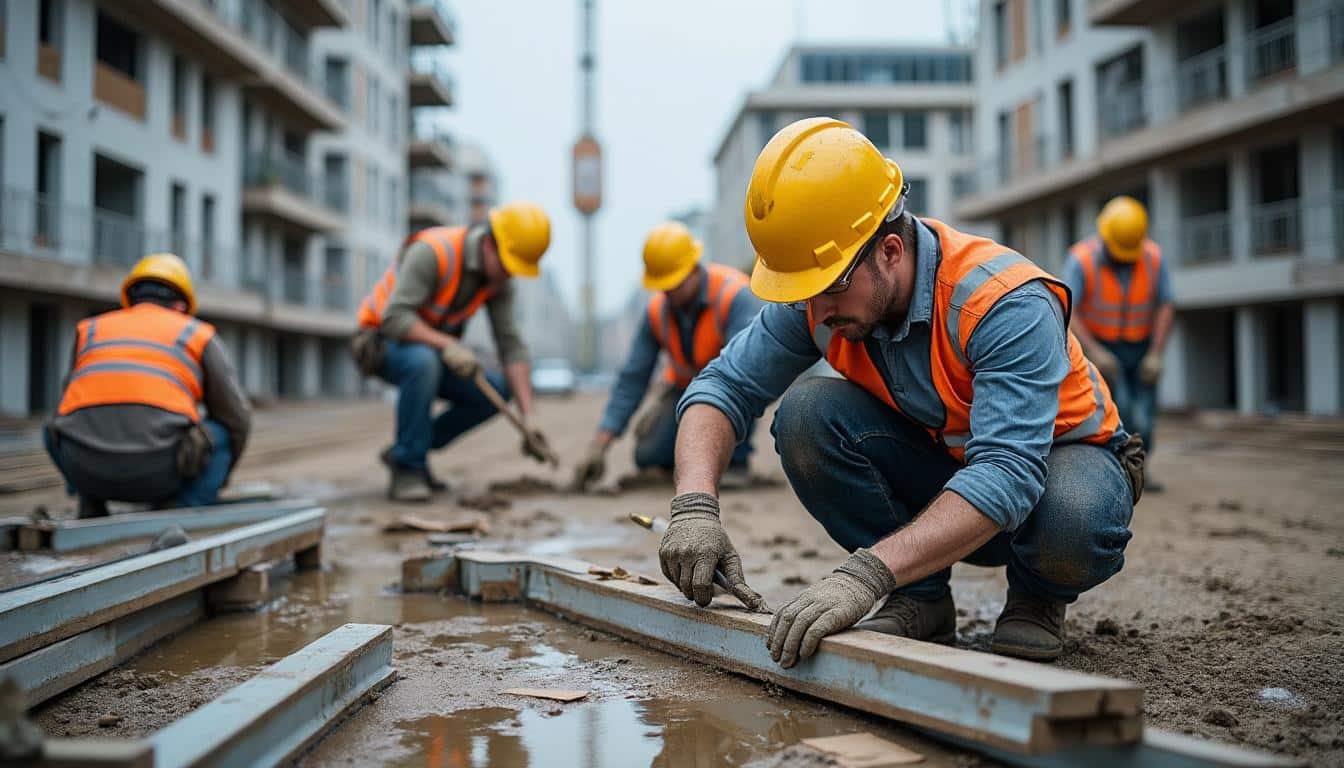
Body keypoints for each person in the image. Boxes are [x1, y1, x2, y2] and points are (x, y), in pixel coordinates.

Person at [657, 117, 1145, 667]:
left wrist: (864, 574)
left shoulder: (1003, 302)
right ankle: (922, 599)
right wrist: (694, 507)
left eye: (831, 287)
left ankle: (1037, 596)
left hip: (1058, 470)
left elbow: (1007, 473)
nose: (816, 312)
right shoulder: (824, 294)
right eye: (804, 293)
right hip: (953, 477)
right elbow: (723, 387)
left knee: (1073, 519)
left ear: (890, 250)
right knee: (806, 415)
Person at [352, 201, 552, 502]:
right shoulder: (434, 252)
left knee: (494, 391)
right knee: (423, 362)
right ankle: (408, 469)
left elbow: (511, 345)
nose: (509, 276)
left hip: (432, 352)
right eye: (508, 266)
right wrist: (448, 345)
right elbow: (394, 318)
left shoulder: (498, 280)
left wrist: (528, 416)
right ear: (488, 243)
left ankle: (407, 450)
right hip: (380, 342)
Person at [46, 253, 251, 517]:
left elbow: (67, 407)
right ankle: (183, 507)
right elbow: (237, 417)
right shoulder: (195, 333)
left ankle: (91, 502)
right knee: (222, 433)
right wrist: (215, 477)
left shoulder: (91, 329)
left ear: (130, 299)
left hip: (85, 469)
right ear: (181, 305)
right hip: (160, 473)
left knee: (57, 423)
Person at [573, 221, 762, 491]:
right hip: (685, 391)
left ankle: (735, 462)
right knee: (648, 456)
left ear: (694, 269)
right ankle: (693, 461)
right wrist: (601, 443)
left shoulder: (734, 296)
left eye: (674, 284)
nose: (669, 293)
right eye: (664, 286)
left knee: (739, 392)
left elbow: (750, 371)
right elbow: (632, 379)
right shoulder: (657, 312)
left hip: (734, 389)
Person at [1063, 196, 1173, 491]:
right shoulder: (1082, 259)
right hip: (1100, 347)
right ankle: (1116, 476)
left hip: (1141, 347)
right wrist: (1095, 351)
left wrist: (1156, 354)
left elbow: (1165, 304)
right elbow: (1068, 308)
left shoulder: (1153, 257)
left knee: (1145, 416)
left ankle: (1140, 471)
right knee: (1118, 409)